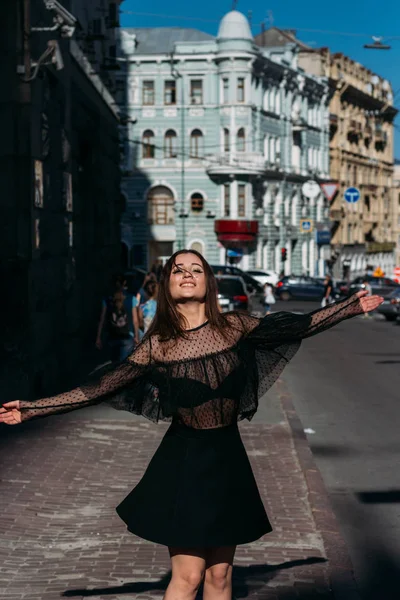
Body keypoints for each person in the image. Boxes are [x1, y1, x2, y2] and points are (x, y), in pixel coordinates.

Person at [1, 250, 383, 600]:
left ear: (207, 284)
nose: (186, 274)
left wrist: (348, 307)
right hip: (184, 462)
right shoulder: (158, 347)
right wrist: (33, 409)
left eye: (195, 269)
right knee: (188, 577)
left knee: (221, 578)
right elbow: (96, 389)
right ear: (167, 284)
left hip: (228, 459)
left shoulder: (235, 327)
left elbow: (296, 325)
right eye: (177, 270)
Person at [96, 274, 139, 363]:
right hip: (128, 336)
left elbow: (102, 319)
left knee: (114, 365)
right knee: (123, 367)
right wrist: (136, 336)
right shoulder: (132, 299)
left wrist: (98, 337)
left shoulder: (107, 299)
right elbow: (135, 320)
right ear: (125, 283)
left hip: (112, 337)